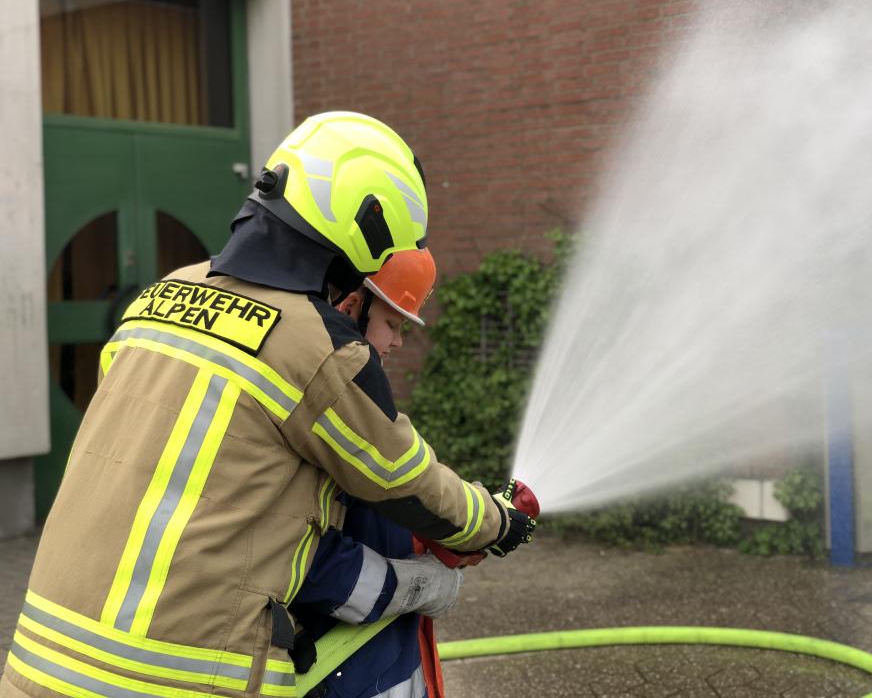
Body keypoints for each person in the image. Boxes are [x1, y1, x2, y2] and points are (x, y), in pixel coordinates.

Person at [0, 112, 536, 698]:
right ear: (362, 236)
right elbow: (408, 483)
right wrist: (497, 523)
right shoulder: (317, 346)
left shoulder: (158, 297)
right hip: (176, 680)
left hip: (38, 667)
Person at [290, 248, 455, 698]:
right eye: (394, 324)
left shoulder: (356, 401)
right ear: (351, 309)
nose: (398, 341)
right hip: (345, 674)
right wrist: (418, 585)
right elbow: (307, 562)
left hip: (388, 663)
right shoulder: (328, 411)